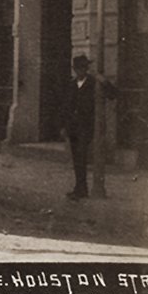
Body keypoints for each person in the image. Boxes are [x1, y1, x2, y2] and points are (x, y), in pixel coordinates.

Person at [62, 54, 117, 200]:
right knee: (76, 158)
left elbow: (113, 94)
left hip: (86, 125)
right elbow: (65, 107)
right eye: (79, 68)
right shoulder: (71, 84)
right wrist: (64, 127)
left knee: (81, 155)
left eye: (84, 68)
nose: (82, 71)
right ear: (74, 69)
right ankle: (80, 188)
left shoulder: (93, 83)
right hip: (73, 127)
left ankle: (82, 188)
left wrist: (104, 81)